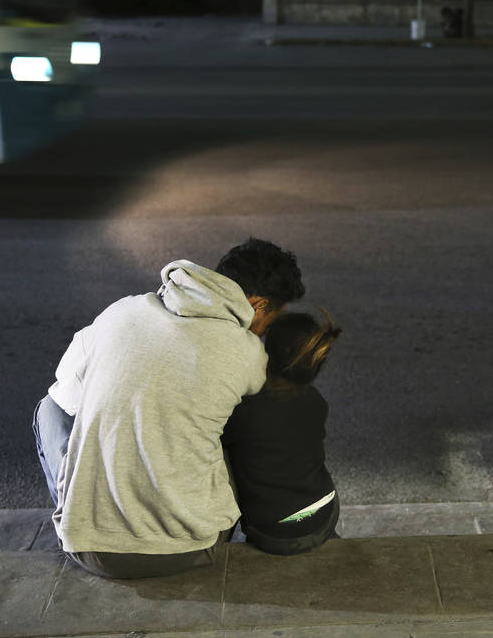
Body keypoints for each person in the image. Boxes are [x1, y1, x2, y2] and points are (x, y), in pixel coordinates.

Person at [32, 238, 304, 579]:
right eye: (272, 318)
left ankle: (79, 508)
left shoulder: (122, 311)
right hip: (196, 544)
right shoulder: (249, 353)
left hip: (90, 550)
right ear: (259, 304)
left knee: (49, 408)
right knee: (229, 424)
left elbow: (66, 390)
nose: (265, 331)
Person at [222, 309, 342, 555]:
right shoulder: (316, 402)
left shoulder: (243, 409)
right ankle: (321, 537)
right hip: (324, 512)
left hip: (270, 532)